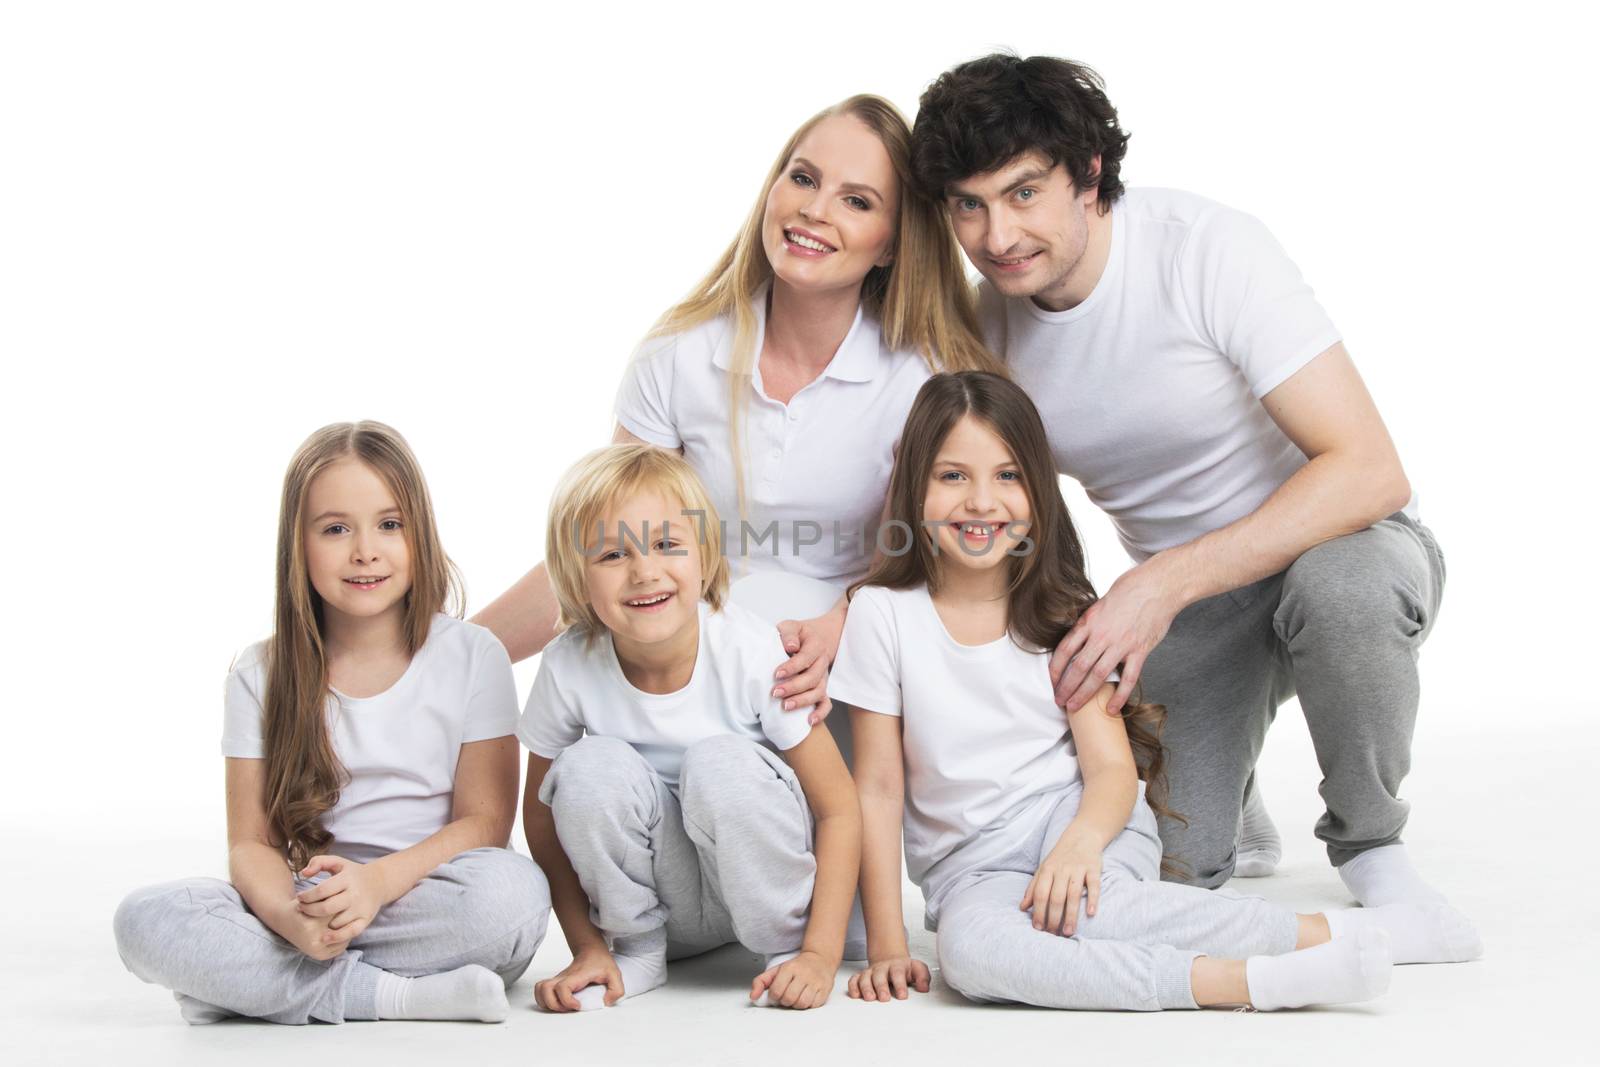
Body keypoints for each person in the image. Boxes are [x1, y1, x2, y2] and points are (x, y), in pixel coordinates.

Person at [910, 54, 1455, 907]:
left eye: (1023, 193)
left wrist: (1159, 582)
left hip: (1346, 543)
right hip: (1198, 611)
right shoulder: (990, 329)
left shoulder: (1207, 249)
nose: (997, 237)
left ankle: (1371, 846)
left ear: (1090, 175)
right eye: (968, 207)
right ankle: (1231, 796)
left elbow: (1370, 472)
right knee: (1163, 872)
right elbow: (996, 510)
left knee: (1341, 590)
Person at [830, 372, 1480, 1012]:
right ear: (915, 486)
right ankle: (1245, 982)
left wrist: (1081, 841)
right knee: (971, 957)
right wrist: (888, 944)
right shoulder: (882, 616)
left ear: (1038, 493)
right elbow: (879, 789)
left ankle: (1335, 937)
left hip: (1085, 822)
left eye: (1007, 475)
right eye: (952, 475)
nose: (981, 500)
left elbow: (1111, 769)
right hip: (973, 872)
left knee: (1094, 907)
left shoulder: (1059, 613)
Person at [474, 93, 1001, 758]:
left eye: (857, 200)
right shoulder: (681, 352)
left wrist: (845, 624)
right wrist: (455, 657)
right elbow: (604, 548)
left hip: (825, 680)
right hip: (684, 666)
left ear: (892, 244)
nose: (814, 209)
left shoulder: (918, 381)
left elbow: (914, 567)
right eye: (804, 178)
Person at [112, 422, 549, 1025]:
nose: (365, 550)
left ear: (420, 534)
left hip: (424, 896)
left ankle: (252, 984)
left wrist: (374, 886)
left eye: (390, 525)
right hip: (309, 906)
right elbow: (252, 844)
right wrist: (291, 918)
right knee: (143, 919)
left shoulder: (474, 656)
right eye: (336, 528)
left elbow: (486, 824)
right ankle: (399, 999)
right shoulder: (260, 673)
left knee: (515, 897)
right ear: (299, 545)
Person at [520, 445, 859, 1012]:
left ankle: (781, 949)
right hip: (658, 906)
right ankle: (637, 952)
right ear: (576, 580)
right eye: (611, 554)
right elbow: (539, 817)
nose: (644, 571)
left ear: (704, 556)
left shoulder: (751, 651)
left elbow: (840, 808)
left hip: (756, 894)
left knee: (720, 762)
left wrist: (819, 954)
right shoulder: (568, 665)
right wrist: (586, 945)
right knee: (583, 768)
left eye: (666, 544)